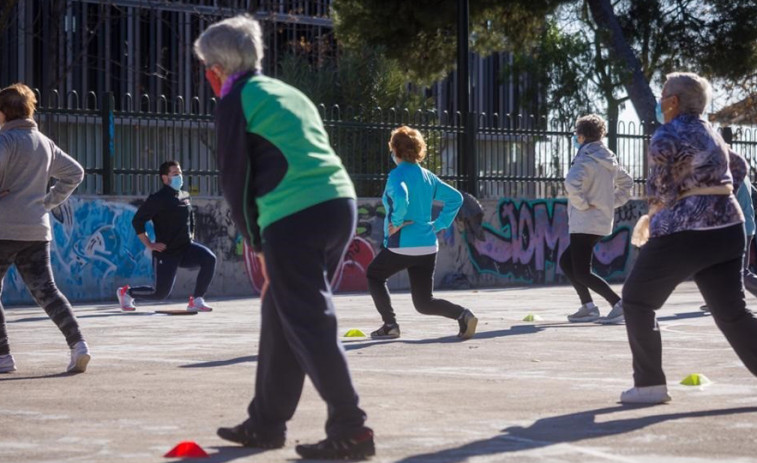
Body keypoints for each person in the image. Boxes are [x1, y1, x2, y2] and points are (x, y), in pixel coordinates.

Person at [193, 14, 374, 459]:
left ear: (215, 69)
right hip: (338, 205)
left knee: (310, 321)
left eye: (206, 67)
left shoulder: (235, 100)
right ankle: (266, 423)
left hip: (295, 216)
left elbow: (236, 179)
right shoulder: (287, 93)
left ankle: (351, 429)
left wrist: (257, 245)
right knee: (282, 314)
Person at [620, 72, 757, 404]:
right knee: (732, 313)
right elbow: (739, 167)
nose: (659, 100)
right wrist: (713, 190)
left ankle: (649, 385)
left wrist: (656, 216)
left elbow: (660, 188)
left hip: (687, 228)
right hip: (728, 228)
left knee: (637, 300)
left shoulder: (666, 135)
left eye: (663, 94)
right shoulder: (711, 132)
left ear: (674, 101)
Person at [0, 83, 90, 374]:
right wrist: (48, 202)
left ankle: (3, 357)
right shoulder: (44, 143)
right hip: (36, 230)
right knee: (48, 292)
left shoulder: (5, 141)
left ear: (3, 114)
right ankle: (79, 346)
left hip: (2, 229)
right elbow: (75, 173)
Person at [366, 126, 477, 340]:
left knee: (374, 275)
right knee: (424, 303)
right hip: (427, 245)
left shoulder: (396, 175)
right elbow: (456, 198)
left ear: (396, 151)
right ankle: (463, 315)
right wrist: (438, 225)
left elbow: (400, 196)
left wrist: (397, 221)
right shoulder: (428, 177)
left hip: (403, 243)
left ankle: (390, 325)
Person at [116, 161, 216, 312]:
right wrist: (150, 244)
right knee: (160, 294)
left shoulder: (185, 196)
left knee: (209, 259)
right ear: (164, 178)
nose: (179, 177)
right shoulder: (158, 198)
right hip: (166, 253)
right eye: (175, 174)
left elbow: (191, 219)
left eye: (180, 173)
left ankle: (197, 300)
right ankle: (127, 293)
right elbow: (138, 221)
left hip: (186, 248)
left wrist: (191, 235)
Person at [561, 114, 633, 324]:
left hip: (584, 222)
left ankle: (619, 304)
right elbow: (627, 183)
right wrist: (611, 203)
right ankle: (588, 306)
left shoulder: (584, 159)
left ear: (581, 136)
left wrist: (582, 205)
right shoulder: (609, 158)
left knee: (582, 272)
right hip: (600, 221)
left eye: (577, 134)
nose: (576, 138)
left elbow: (571, 183)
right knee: (566, 262)